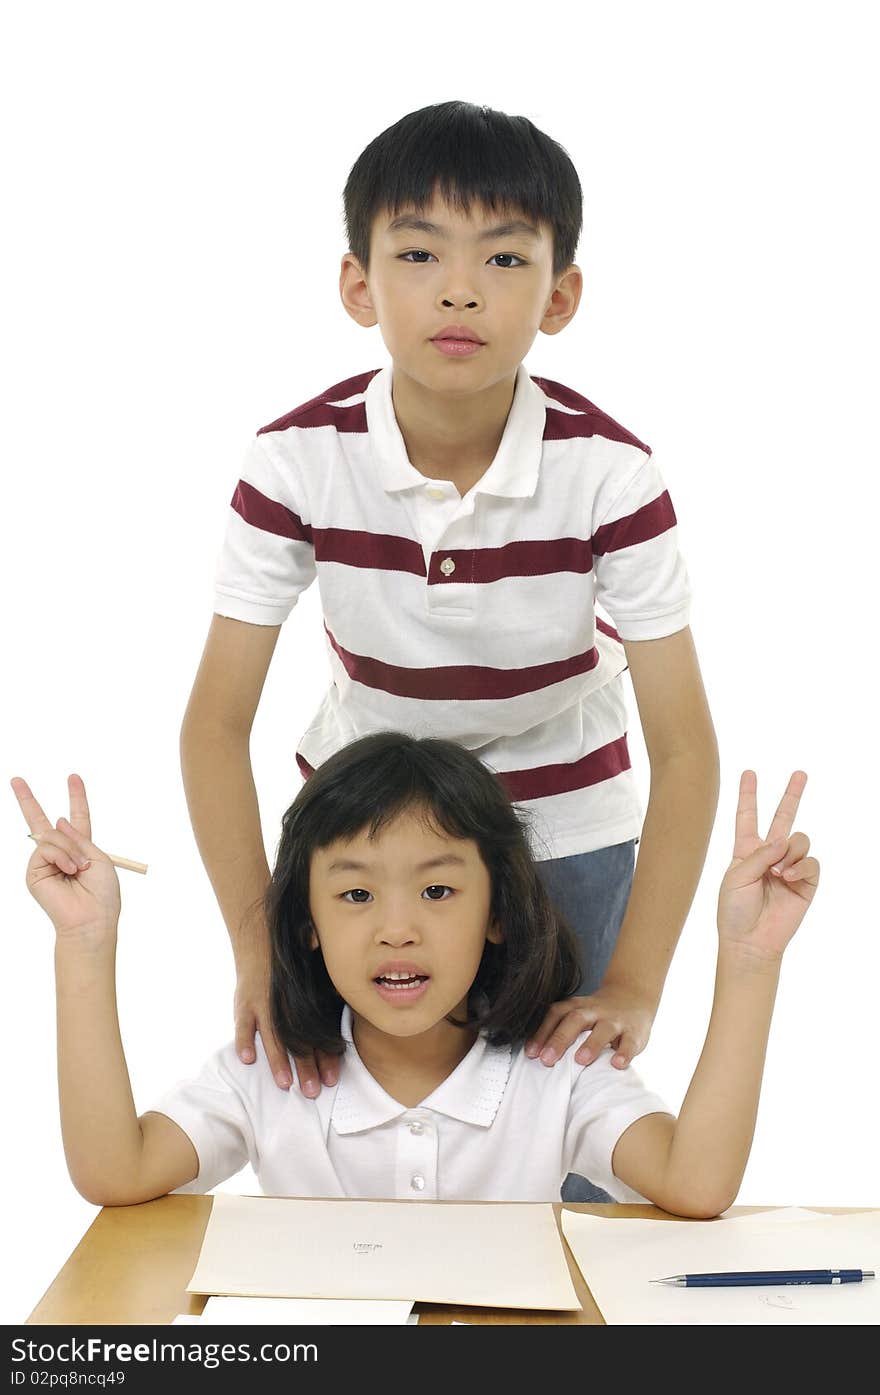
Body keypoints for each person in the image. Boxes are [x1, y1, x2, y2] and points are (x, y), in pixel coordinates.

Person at [178, 102, 720, 1196]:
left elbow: (685, 748)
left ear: (558, 295)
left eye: (504, 257)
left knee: (558, 1125)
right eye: (418, 253)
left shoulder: (611, 476)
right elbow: (216, 723)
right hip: (366, 822)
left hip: (561, 817)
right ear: (359, 285)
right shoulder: (294, 461)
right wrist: (251, 946)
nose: (459, 289)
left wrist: (636, 987)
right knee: (347, 1110)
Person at [12, 734, 816, 1213]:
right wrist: (84, 941)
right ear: (310, 927)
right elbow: (113, 1172)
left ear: (498, 911)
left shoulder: (556, 1073)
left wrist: (749, 961)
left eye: (438, 890)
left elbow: (697, 1182)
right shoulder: (272, 1074)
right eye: (356, 893)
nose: (398, 927)